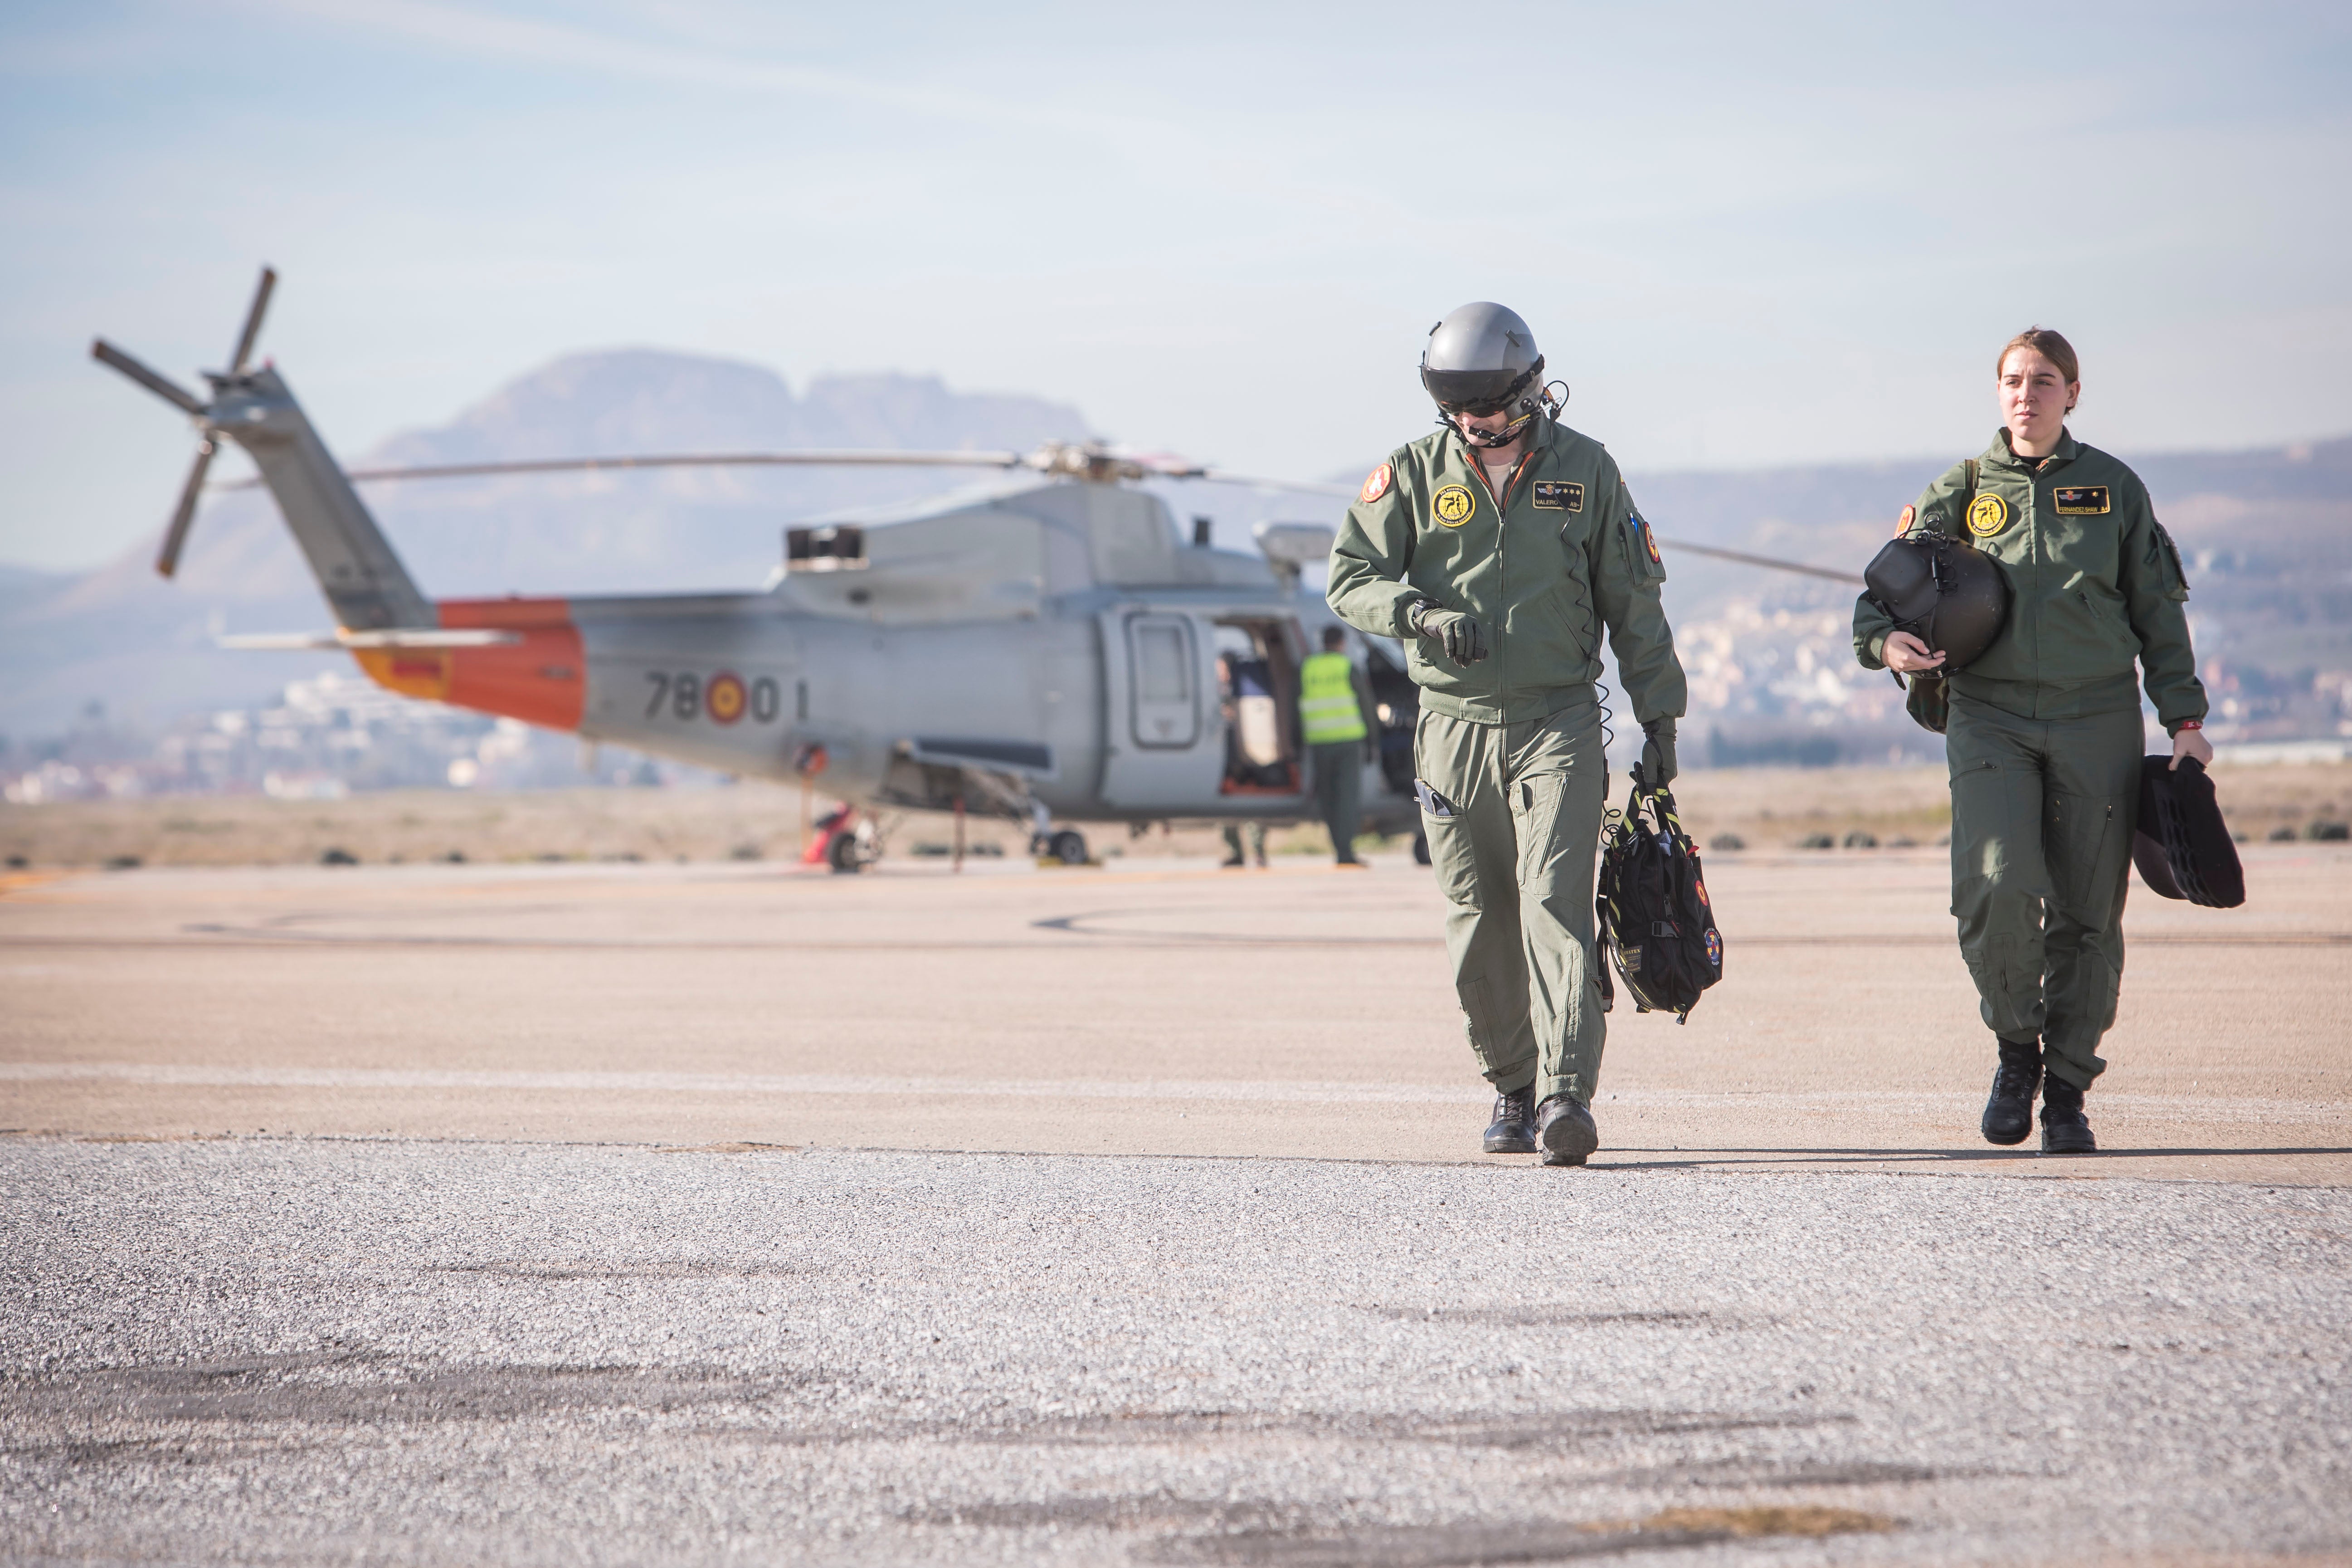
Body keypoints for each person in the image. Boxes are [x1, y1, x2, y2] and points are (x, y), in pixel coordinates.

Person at [1328, 302, 1685, 1167]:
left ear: (1529, 388)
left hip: (1555, 720)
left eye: (1487, 406)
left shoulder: (1585, 470)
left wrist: (1659, 713)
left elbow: (1633, 601)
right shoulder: (1411, 475)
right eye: (1458, 408)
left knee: (1554, 903)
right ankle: (1512, 1085)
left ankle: (1567, 1094)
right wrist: (1415, 611)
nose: (1473, 422)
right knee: (1479, 916)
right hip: (1451, 730)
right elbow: (1349, 578)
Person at [1854, 327, 2209, 1155]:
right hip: (1991, 715)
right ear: (1998, 392)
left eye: (2044, 380)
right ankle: (2018, 1050)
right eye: (2013, 380)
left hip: (2096, 717)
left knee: (2088, 911)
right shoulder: (1964, 488)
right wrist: (1884, 645)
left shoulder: (2115, 489)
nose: (2026, 393)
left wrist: (2184, 722)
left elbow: (2158, 610)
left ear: (2072, 394)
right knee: (1996, 884)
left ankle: (2067, 1091)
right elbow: (1885, 588)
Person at [1300, 625, 1380, 867]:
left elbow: (1296, 705)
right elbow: (1366, 706)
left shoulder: (1308, 668)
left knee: (1328, 799)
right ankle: (1345, 853)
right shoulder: (1347, 667)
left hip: (1318, 742)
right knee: (1346, 799)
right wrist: (1373, 741)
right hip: (1348, 741)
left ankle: (1339, 847)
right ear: (1341, 643)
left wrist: (1296, 743)